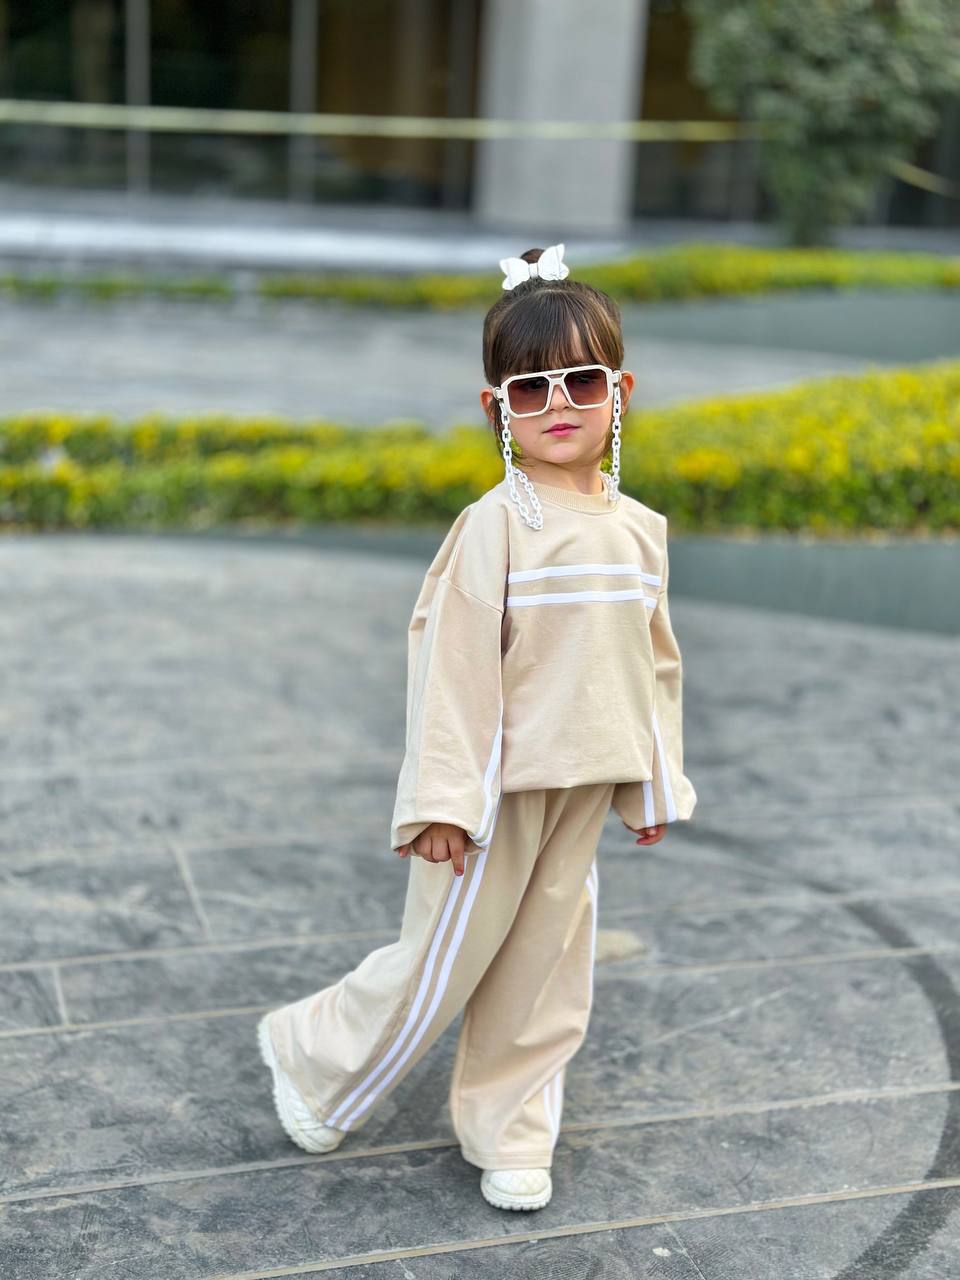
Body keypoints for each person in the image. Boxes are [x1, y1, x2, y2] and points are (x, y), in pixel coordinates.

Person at [257, 242, 697, 1213]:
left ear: (620, 391)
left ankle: (513, 1126)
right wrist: (444, 800)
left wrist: (653, 781)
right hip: (495, 796)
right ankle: (315, 1053)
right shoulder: (497, 525)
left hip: (586, 783)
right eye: (531, 389)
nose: (559, 405)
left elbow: (653, 662)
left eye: (582, 381)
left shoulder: (639, 530)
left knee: (548, 970)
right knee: (442, 959)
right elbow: (450, 668)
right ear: (497, 407)